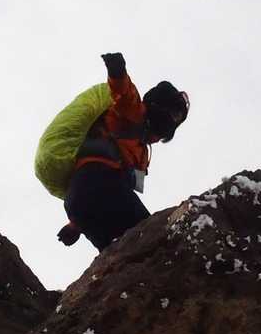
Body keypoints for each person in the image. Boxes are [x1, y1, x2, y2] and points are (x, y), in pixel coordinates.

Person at [56, 52, 189, 251]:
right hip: (96, 183)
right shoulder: (135, 112)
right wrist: (117, 71)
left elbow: (119, 193)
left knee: (119, 253)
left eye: (177, 118)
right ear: (159, 105)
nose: (173, 120)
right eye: (174, 113)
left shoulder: (143, 155)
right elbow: (124, 92)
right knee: (153, 237)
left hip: (82, 200)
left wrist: (75, 225)